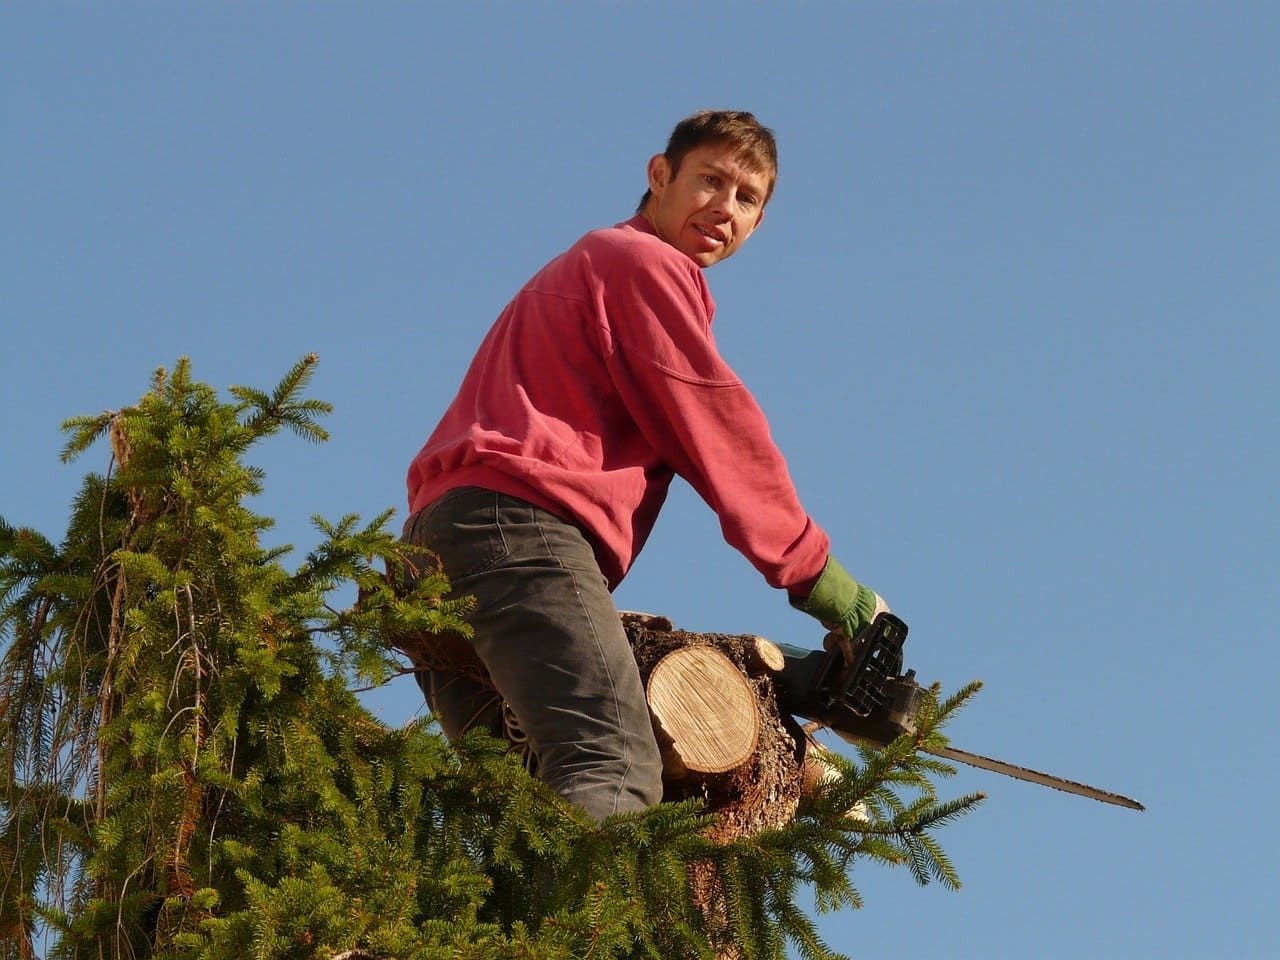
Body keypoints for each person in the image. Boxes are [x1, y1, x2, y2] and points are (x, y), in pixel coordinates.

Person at [403, 109, 890, 822]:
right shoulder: (641, 263)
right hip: (519, 528)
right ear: (659, 176)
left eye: (747, 198)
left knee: (520, 811)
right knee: (613, 768)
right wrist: (830, 588)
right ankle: (597, 936)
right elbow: (719, 433)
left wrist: (796, 675)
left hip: (444, 541)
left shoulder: (594, 265)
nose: (725, 207)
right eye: (710, 180)